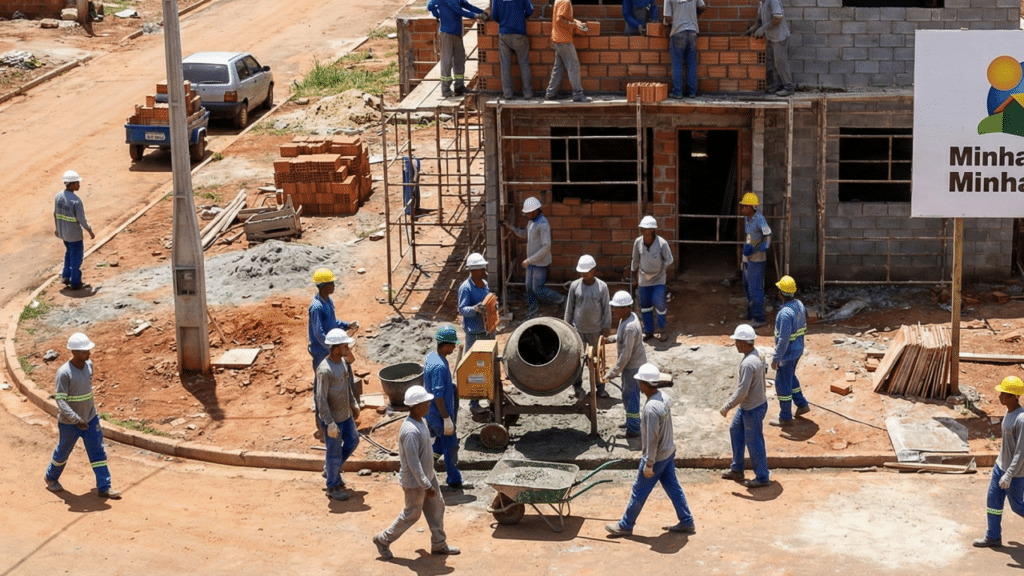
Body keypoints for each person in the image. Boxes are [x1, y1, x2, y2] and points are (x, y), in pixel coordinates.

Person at [605, 362, 695, 536]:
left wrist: (649, 463)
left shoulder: (651, 409)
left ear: (644, 384)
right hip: (668, 451)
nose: (638, 384)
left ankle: (625, 525)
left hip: (657, 457)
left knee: (639, 490)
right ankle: (686, 520)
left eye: (640, 381)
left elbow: (652, 438)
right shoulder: (663, 397)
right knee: (673, 487)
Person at [373, 385, 460, 560]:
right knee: (411, 514)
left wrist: (430, 479)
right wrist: (426, 485)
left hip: (428, 477)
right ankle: (383, 539)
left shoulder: (421, 421)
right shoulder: (410, 431)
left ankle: (439, 544)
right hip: (415, 483)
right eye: (426, 403)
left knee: (437, 508)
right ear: (418, 406)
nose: (429, 405)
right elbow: (414, 464)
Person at [44, 333, 121, 499]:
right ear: (74, 352)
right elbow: (61, 400)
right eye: (85, 351)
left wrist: (86, 416)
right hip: (69, 424)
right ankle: (51, 478)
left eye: (88, 350)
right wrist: (75, 418)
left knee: (98, 451)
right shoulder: (64, 373)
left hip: (90, 419)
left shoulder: (89, 365)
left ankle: (104, 487)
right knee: (63, 452)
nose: (89, 353)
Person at [974, 376, 1024, 548]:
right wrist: (1000, 466)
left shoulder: (1021, 419)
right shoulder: (1008, 412)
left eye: (1003, 393)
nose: (999, 396)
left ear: (1012, 396)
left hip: (1015, 474)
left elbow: (1021, 452)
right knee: (993, 502)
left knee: (1017, 507)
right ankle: (993, 537)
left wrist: (1009, 475)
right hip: (999, 467)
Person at [308, 268, 359, 436]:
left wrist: (347, 325)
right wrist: (332, 350)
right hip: (322, 352)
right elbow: (318, 333)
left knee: (343, 379)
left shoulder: (328, 301)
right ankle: (324, 427)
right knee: (322, 389)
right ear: (324, 285)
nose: (334, 285)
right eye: (332, 283)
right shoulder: (316, 307)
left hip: (332, 349)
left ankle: (344, 418)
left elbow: (333, 322)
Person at [720, 324, 771, 488]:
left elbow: (742, 391)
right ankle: (737, 469)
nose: (735, 344)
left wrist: (727, 406)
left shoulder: (748, 364)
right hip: (750, 406)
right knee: (735, 430)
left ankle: (762, 477)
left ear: (743, 343)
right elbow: (765, 368)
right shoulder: (759, 354)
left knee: (754, 442)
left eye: (737, 341)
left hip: (752, 408)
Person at [316, 328, 361, 501]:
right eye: (345, 346)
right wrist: (329, 423)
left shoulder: (342, 362)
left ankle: (330, 469)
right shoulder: (324, 370)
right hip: (333, 420)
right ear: (336, 349)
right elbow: (321, 398)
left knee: (353, 440)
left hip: (346, 416)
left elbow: (347, 386)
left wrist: (353, 404)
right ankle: (332, 486)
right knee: (333, 453)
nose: (348, 349)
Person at [504, 196, 565, 318]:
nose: (526, 215)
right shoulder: (531, 221)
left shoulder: (543, 225)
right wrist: (511, 228)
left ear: (535, 211)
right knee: (529, 288)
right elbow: (524, 234)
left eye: (528, 213)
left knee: (538, 289)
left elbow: (546, 247)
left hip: (540, 263)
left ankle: (562, 299)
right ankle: (533, 311)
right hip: (531, 262)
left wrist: (529, 260)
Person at [565, 254, 612, 399]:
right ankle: (576, 387)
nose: (584, 274)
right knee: (576, 360)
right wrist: (566, 326)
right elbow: (569, 308)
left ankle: (600, 388)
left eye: (587, 272)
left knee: (597, 360)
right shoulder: (575, 286)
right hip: (578, 330)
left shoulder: (602, 287)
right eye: (582, 272)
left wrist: (606, 326)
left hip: (595, 330)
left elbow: (606, 308)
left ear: (594, 270)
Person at [425, 326, 466, 489]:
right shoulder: (439, 366)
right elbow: (438, 395)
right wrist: (446, 418)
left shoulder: (432, 357)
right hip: (439, 414)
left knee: (440, 444)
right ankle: (454, 479)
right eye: (453, 345)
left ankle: (426, 466)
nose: (455, 347)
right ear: (446, 345)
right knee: (450, 445)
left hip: (433, 412)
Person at [604, 290, 648, 438]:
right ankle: (631, 421)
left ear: (626, 308)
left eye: (617, 308)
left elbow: (626, 355)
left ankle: (634, 429)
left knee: (631, 397)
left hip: (633, 367)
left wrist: (612, 373)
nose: (614, 310)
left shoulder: (630, 326)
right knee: (627, 395)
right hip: (632, 365)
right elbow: (622, 336)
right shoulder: (629, 317)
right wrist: (611, 339)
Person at [770, 275, 810, 427]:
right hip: (798, 350)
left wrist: (776, 359)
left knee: (782, 383)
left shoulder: (785, 313)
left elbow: (783, 340)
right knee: (790, 377)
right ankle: (802, 404)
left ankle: (785, 417)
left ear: (780, 292)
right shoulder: (799, 304)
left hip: (787, 355)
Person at [428, 0, 487, 98]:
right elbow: (431, 5)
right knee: (447, 61)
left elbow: (467, 5)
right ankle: (445, 88)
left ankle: (459, 86)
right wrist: (476, 16)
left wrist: (482, 11)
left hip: (457, 32)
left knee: (459, 59)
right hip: (447, 33)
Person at [458, 252, 494, 413]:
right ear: (472, 271)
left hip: (487, 331)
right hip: (474, 334)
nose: (484, 271)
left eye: (484, 268)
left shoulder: (485, 284)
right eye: (481, 269)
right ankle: (474, 403)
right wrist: (475, 309)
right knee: (474, 368)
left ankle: (489, 395)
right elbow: (462, 309)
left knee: (488, 365)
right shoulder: (466, 288)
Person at [629, 215, 674, 341]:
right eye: (641, 227)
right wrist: (634, 277)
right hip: (644, 280)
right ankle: (648, 330)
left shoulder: (661, 243)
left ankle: (662, 329)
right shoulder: (638, 242)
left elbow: (669, 259)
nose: (642, 230)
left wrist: (660, 267)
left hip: (658, 279)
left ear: (652, 230)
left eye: (645, 228)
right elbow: (635, 261)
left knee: (659, 304)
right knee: (645, 306)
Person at [53, 170, 95, 291]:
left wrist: (57, 229)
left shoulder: (58, 196)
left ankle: (66, 276)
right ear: (71, 184)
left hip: (64, 234)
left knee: (68, 253)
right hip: (74, 235)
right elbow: (81, 219)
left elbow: (55, 213)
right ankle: (75, 283)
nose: (79, 185)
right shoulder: (76, 201)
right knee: (76, 258)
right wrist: (90, 231)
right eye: (77, 183)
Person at [544, 0, 592, 103]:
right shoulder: (565, 1)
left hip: (557, 39)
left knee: (558, 68)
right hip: (564, 41)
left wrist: (576, 22)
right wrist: (574, 25)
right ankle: (578, 95)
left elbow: (563, 18)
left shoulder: (559, 0)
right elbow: (559, 20)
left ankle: (551, 94)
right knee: (574, 67)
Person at [745, 0, 793, 96]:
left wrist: (763, 28)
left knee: (781, 63)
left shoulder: (773, 1)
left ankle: (789, 87)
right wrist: (752, 29)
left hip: (780, 37)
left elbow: (778, 18)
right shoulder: (762, 3)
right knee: (775, 64)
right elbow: (759, 20)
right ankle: (777, 86)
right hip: (772, 37)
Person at [738, 192, 771, 328]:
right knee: (747, 286)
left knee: (755, 288)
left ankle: (759, 318)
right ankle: (751, 312)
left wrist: (765, 245)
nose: (742, 209)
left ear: (751, 207)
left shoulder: (760, 219)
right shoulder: (747, 219)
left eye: (744, 207)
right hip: (748, 256)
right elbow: (749, 236)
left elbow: (768, 235)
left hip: (757, 258)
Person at [492, 0, 535, 99]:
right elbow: (530, 10)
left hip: (504, 33)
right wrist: (521, 17)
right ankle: (527, 92)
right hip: (519, 32)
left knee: (505, 65)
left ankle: (507, 93)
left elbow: (494, 15)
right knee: (524, 63)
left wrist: (504, 22)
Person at [663, 0, 705, 98]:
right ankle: (692, 92)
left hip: (678, 31)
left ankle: (678, 92)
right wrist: (695, 15)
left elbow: (668, 17)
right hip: (692, 31)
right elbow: (703, 6)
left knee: (677, 63)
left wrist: (666, 23)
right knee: (691, 63)